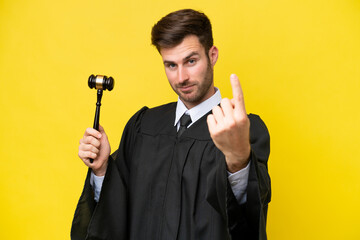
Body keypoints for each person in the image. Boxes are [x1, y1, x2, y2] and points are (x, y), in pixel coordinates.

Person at [71, 9, 271, 240]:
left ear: (212, 55)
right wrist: (101, 169)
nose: (181, 77)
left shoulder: (241, 128)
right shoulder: (143, 126)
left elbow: (249, 218)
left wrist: (238, 159)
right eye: (171, 65)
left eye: (191, 61)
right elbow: (115, 212)